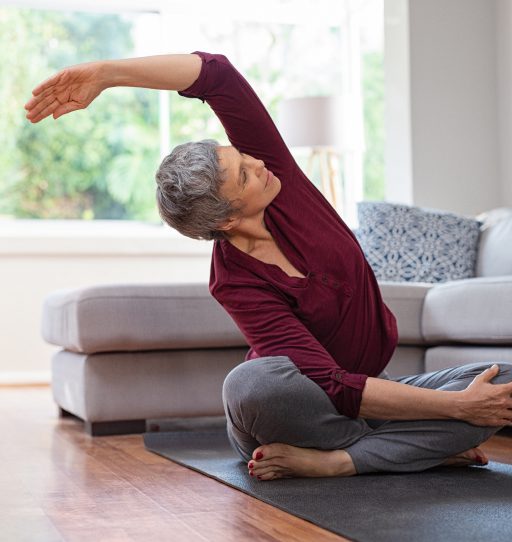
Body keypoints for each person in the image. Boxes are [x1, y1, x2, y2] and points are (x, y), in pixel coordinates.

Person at [25, 51, 512, 481]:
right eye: (243, 174)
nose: (259, 163)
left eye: (243, 156)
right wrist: (456, 408)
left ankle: (341, 460)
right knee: (251, 385)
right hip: (302, 411)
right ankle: (405, 448)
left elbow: (216, 74)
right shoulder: (233, 281)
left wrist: (107, 73)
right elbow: (330, 386)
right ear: (230, 218)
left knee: (505, 382)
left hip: (367, 403)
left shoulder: (281, 180)